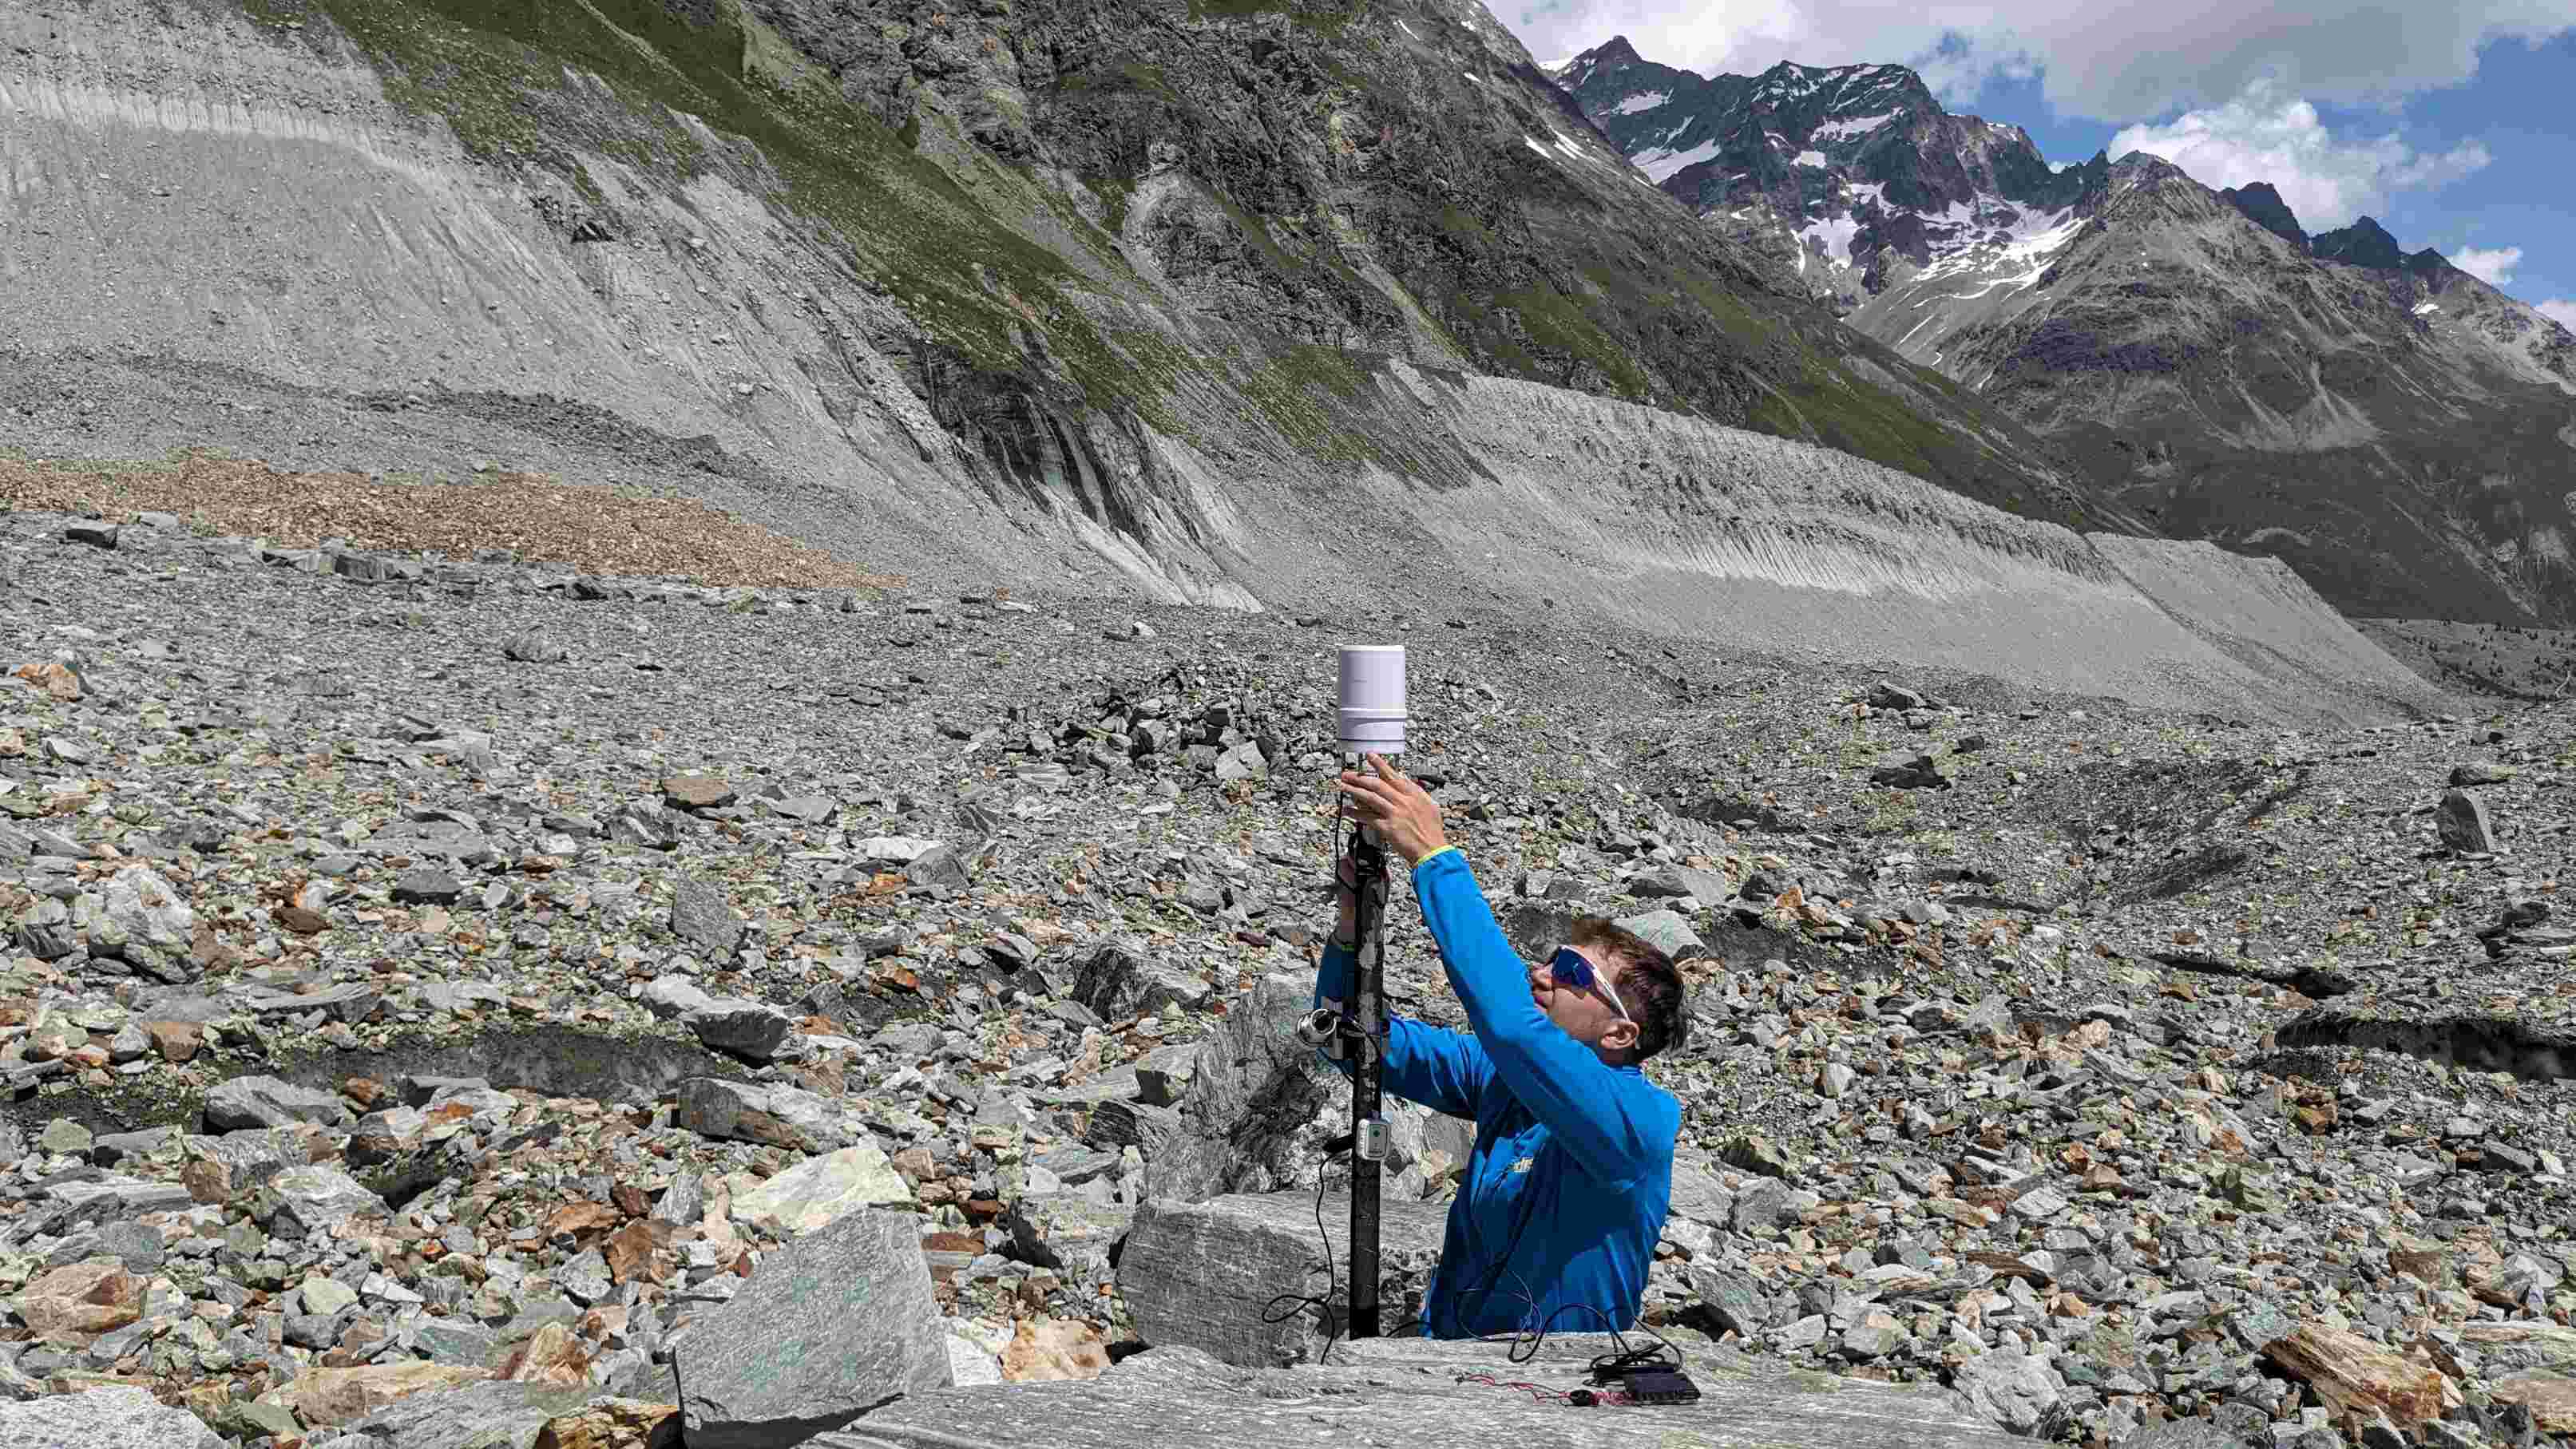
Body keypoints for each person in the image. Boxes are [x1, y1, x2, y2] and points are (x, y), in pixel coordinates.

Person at [1317, 753, 1689, 1340]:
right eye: (1551, 958)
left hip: (1551, 1399)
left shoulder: (1639, 1123)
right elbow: (1353, 1042)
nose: (1541, 973)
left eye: (1571, 971)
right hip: (1453, 1375)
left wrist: (1434, 858)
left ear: (1620, 1033)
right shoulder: (1505, 1080)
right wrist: (1347, 931)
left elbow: (1511, 1025)